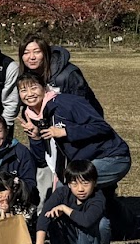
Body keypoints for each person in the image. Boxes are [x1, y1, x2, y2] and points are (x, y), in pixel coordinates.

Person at [17, 73, 131, 206]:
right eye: (23, 90)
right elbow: (42, 161)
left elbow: (101, 127)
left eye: (34, 88)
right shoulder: (31, 116)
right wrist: (36, 137)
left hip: (111, 157)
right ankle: (125, 222)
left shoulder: (67, 103)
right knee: (93, 198)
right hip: (78, 165)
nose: (29, 94)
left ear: (44, 88)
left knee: (67, 190)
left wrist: (66, 131)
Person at [32, 160, 115, 244]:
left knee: (104, 223)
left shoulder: (98, 197)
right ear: (69, 184)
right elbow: (43, 216)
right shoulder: (61, 193)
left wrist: (64, 208)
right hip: (68, 239)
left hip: (88, 242)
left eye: (85, 183)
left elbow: (87, 220)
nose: (80, 189)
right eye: (74, 184)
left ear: (94, 183)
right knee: (51, 213)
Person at [18, 34, 102, 113]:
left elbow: (83, 108)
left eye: (37, 52)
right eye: (26, 53)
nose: (32, 57)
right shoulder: (25, 77)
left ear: (45, 53)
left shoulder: (68, 74)